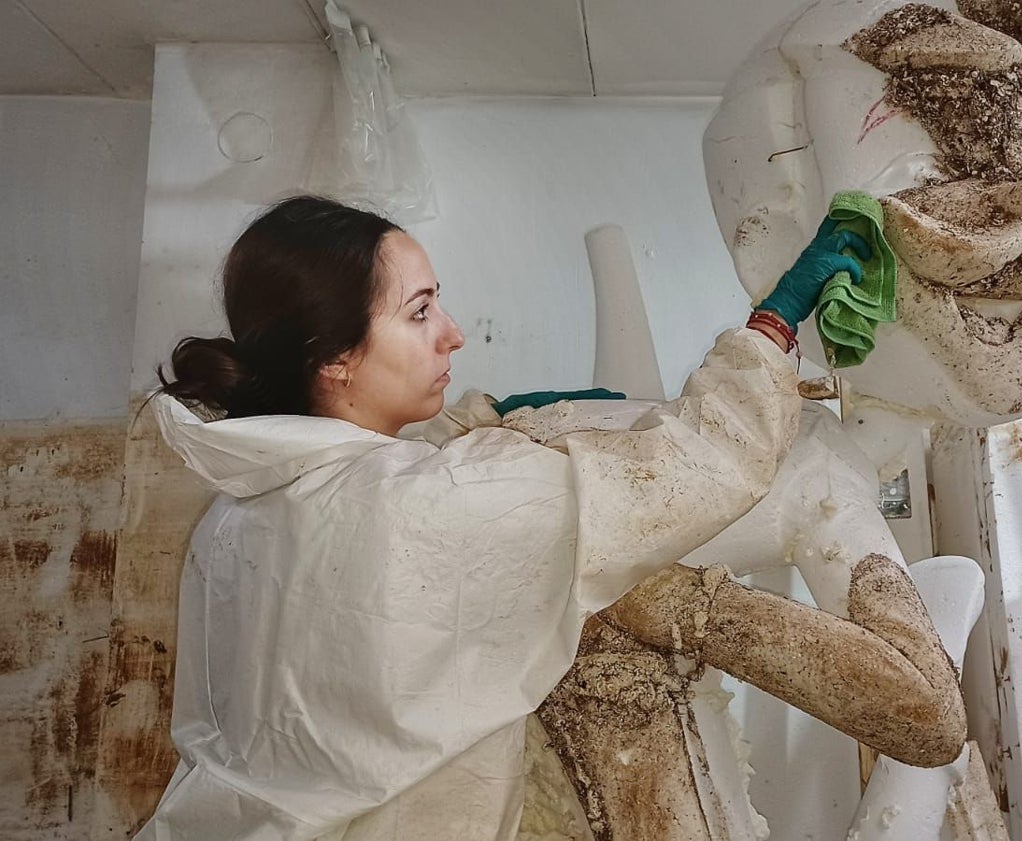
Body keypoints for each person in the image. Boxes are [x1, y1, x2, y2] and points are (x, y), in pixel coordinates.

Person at [136, 194, 871, 840]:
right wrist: (775, 321)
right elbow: (697, 467)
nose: (453, 332)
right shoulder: (427, 504)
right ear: (334, 357)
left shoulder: (235, 513)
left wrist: (486, 419)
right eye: (419, 312)